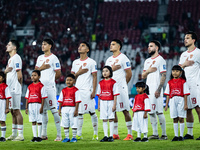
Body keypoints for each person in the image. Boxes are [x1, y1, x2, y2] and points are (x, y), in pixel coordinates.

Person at [105, 39, 133, 140]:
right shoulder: (108, 60)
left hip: (121, 88)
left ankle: (130, 134)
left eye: (113, 44)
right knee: (113, 110)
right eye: (110, 44)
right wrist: (111, 69)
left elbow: (129, 73)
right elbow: (106, 73)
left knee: (125, 110)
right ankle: (115, 134)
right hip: (111, 88)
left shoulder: (123, 58)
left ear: (118, 46)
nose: (111, 46)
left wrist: (123, 85)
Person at [35, 38, 62, 141]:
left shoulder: (54, 58)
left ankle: (59, 135)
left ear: (50, 46)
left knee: (54, 110)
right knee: (43, 111)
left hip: (49, 88)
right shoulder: (39, 58)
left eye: (45, 44)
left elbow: (58, 73)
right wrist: (41, 68)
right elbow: (35, 72)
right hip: (40, 88)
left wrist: (50, 81)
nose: (42, 46)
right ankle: (43, 134)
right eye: (42, 44)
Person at [71, 42, 98, 140]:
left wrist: (94, 91)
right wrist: (79, 72)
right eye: (79, 46)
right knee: (79, 113)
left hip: (87, 90)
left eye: (82, 46)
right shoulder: (75, 62)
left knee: (92, 112)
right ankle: (79, 134)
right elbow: (71, 78)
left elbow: (95, 77)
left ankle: (95, 134)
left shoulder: (92, 62)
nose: (80, 47)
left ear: (87, 50)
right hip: (77, 90)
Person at [142, 40, 167, 140]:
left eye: (151, 46)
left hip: (157, 89)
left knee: (159, 112)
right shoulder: (147, 61)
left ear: (156, 48)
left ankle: (164, 134)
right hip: (148, 90)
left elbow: (163, 75)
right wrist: (148, 70)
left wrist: (159, 89)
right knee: (151, 112)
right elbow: (143, 75)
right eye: (148, 46)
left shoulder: (161, 60)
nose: (149, 48)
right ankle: (155, 134)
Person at [179, 31, 200, 140]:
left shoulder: (198, 53)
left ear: (193, 40)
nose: (185, 40)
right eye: (184, 38)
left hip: (197, 85)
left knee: (198, 108)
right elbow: (178, 71)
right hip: (186, 85)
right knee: (188, 109)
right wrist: (184, 64)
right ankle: (190, 133)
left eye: (187, 38)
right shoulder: (183, 55)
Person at [5, 40, 24, 141]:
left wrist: (18, 86)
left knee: (16, 110)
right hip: (10, 88)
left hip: (14, 88)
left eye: (8, 45)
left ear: (14, 47)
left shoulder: (16, 58)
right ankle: (14, 133)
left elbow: (19, 75)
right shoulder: (10, 59)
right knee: (12, 111)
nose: (6, 46)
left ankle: (20, 135)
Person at [164, 65, 190, 141]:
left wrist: (185, 104)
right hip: (172, 100)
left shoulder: (183, 81)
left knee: (181, 117)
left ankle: (181, 136)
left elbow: (185, 94)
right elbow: (168, 94)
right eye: (173, 71)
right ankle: (176, 135)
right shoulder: (170, 82)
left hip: (181, 99)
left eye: (177, 71)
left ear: (181, 72)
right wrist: (166, 105)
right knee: (175, 118)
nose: (175, 73)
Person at [97, 66, 119, 142]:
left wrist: (114, 105)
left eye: (106, 71)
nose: (104, 73)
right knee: (104, 119)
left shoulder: (113, 82)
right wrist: (99, 105)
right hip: (103, 102)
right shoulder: (100, 83)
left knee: (111, 118)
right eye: (103, 71)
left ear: (110, 72)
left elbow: (115, 94)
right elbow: (99, 95)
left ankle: (111, 136)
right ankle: (105, 136)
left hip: (110, 101)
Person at [25, 70, 47, 142]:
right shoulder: (30, 86)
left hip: (38, 104)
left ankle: (39, 137)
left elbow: (43, 97)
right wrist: (26, 107)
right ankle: (34, 136)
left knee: (39, 121)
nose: (33, 77)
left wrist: (42, 107)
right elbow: (27, 97)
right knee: (33, 120)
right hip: (31, 105)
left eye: (35, 75)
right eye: (32, 75)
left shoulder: (41, 86)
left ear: (39, 76)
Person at [58, 74, 81, 143]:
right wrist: (59, 110)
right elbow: (60, 100)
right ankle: (67, 137)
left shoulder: (76, 90)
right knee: (65, 123)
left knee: (74, 123)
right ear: (65, 81)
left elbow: (77, 101)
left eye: (70, 80)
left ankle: (74, 137)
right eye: (67, 80)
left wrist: (76, 110)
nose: (68, 81)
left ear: (74, 81)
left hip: (72, 108)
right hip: (64, 108)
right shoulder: (63, 90)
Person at [0, 72, 12, 142]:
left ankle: (2, 137)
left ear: (3, 78)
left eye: (0, 77)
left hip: (2, 103)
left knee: (2, 120)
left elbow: (7, 97)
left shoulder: (5, 86)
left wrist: (7, 107)